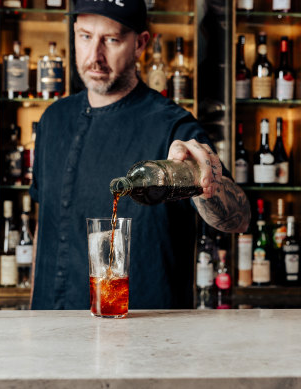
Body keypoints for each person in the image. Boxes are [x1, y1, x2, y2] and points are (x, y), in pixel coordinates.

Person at [29, 0, 250, 310]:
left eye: (112, 40)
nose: (95, 56)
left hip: (145, 338)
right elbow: (45, 226)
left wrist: (206, 185)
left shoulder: (174, 126)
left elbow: (237, 219)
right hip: (52, 332)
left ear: (140, 44)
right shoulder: (53, 120)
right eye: (85, 36)